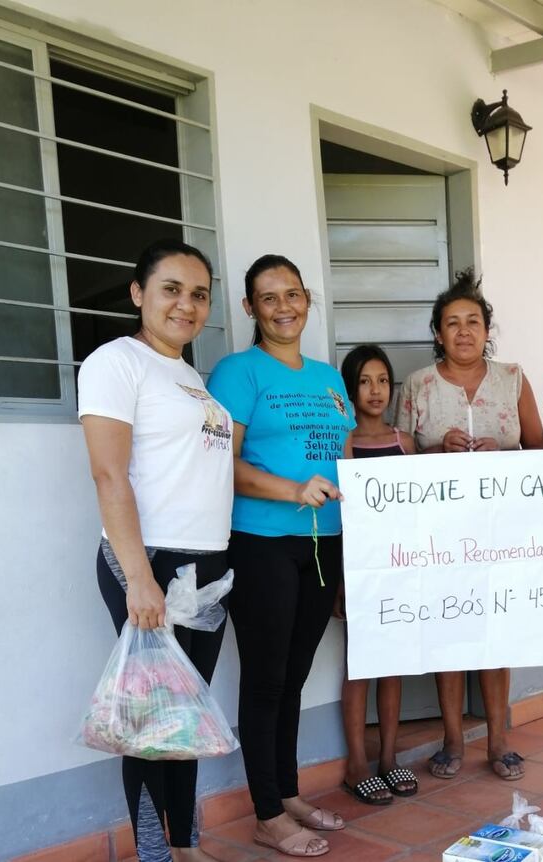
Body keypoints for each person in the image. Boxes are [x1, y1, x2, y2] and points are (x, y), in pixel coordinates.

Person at [78, 239, 233, 862]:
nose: (186, 305)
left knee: (185, 719)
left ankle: (186, 845)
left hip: (205, 565)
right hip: (150, 564)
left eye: (199, 294)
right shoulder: (117, 362)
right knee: (148, 726)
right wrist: (139, 578)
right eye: (171, 288)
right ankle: (153, 853)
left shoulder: (189, 375)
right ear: (138, 294)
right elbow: (109, 476)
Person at [207, 255, 355, 857]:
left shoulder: (328, 377)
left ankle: (287, 792)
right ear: (250, 308)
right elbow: (221, 463)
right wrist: (293, 490)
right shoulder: (237, 372)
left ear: (307, 300)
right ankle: (267, 813)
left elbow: (342, 457)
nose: (284, 306)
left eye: (293, 294)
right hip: (261, 542)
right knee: (267, 679)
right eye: (269, 298)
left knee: (294, 675)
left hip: (324, 542)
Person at [395, 268, 543, 781]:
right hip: (439, 535)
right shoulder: (417, 385)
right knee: (449, 629)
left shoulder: (513, 378)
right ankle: (453, 740)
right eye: (452, 323)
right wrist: (438, 449)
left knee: (496, 629)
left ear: (487, 329)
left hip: (503, 530)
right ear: (437, 332)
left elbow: (537, 444)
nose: (463, 331)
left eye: (473, 322)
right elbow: (400, 458)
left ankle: (500, 740)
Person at [334, 344, 417, 805]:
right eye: (364, 381)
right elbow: (345, 518)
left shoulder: (404, 443)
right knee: (359, 665)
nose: (375, 390)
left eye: (383, 380)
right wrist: (345, 579)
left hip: (400, 569)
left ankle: (388, 757)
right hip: (361, 569)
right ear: (351, 387)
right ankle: (357, 764)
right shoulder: (345, 442)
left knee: (393, 664)